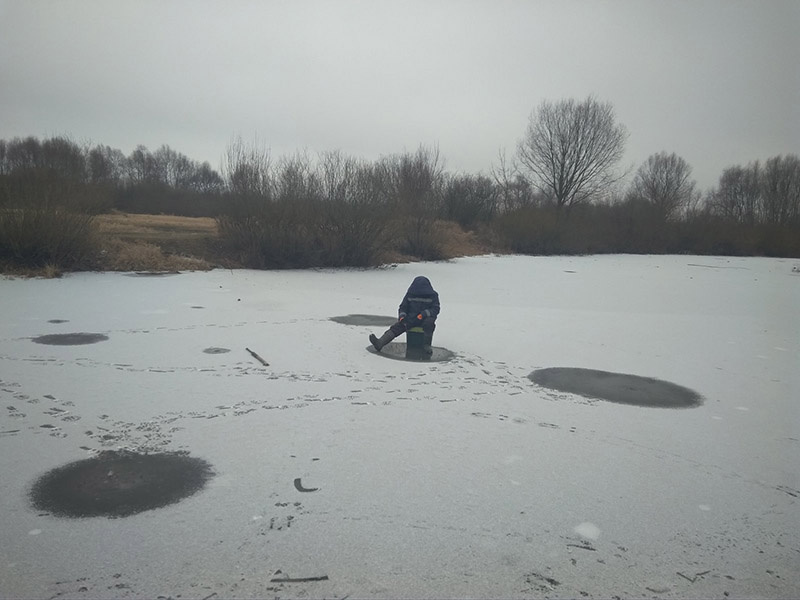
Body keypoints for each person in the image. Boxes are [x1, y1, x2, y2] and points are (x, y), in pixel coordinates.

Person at [369, 276, 440, 354]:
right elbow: (403, 307)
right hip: (411, 318)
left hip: (425, 319)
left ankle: (427, 345)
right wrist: (402, 316)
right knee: (397, 327)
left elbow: (435, 309)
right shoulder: (410, 294)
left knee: (429, 324)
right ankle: (380, 343)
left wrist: (424, 314)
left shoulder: (433, 295)